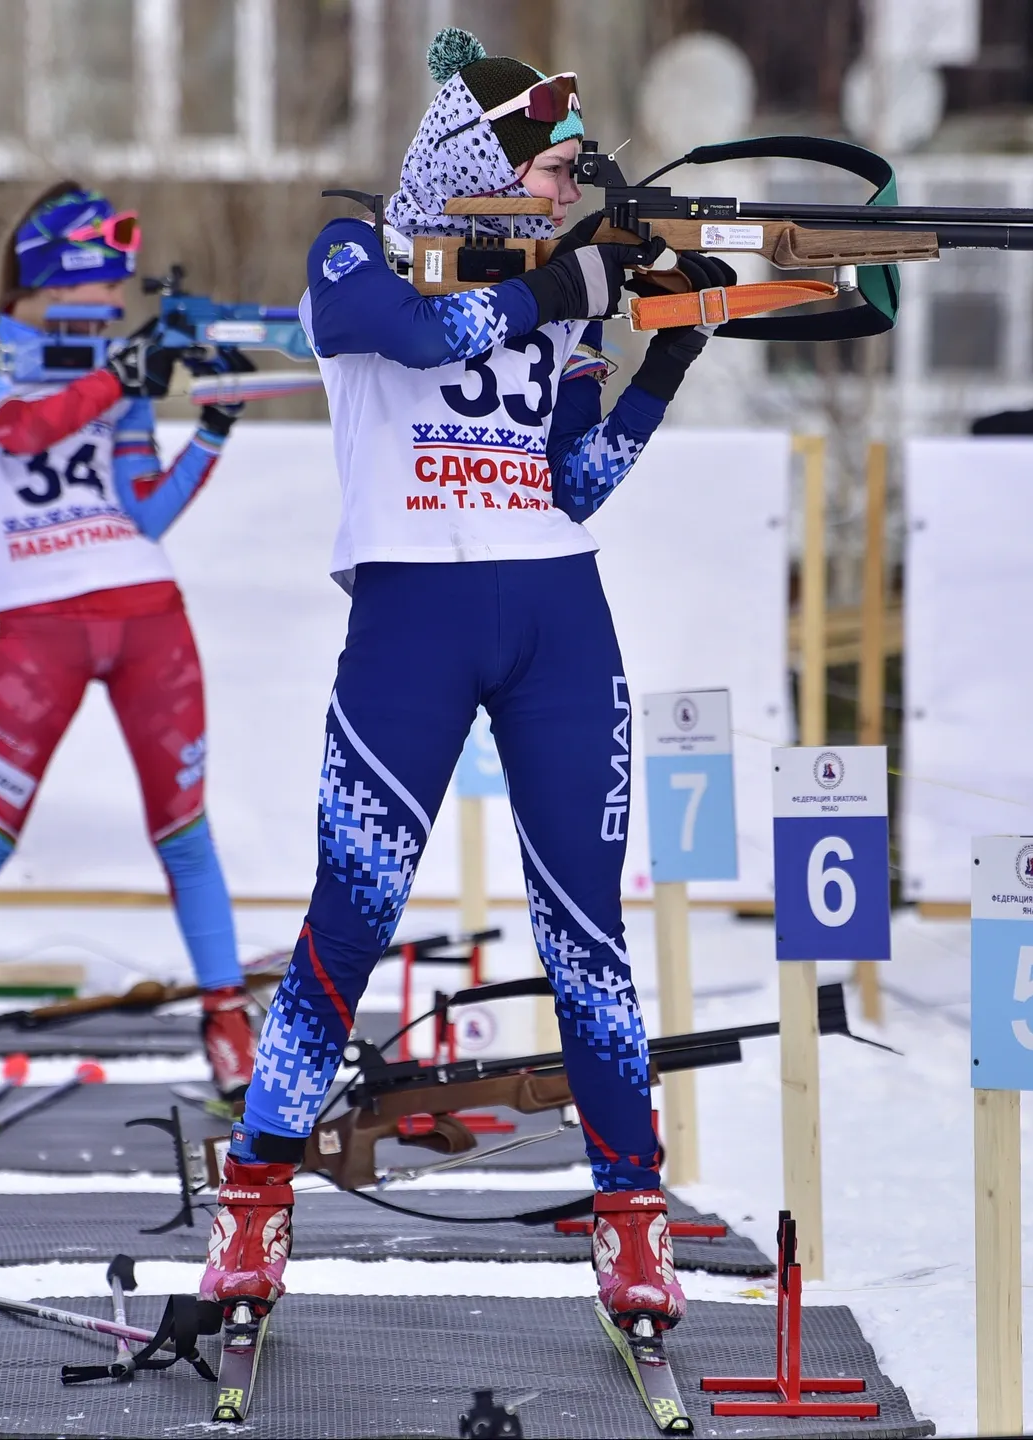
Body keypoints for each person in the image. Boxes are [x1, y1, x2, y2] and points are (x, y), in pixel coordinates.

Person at [198, 28, 732, 1335]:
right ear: (476, 166)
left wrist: (664, 359)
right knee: (354, 913)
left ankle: (632, 1221)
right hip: (413, 612)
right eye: (547, 170)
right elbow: (392, 329)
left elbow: (578, 482)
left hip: (557, 607)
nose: (565, 194)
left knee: (584, 929)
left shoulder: (558, 282)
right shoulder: (359, 246)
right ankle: (256, 1201)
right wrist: (569, 288)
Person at [0, 183, 260, 1118]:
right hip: (36, 627)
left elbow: (147, 510)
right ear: (48, 283)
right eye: (101, 293)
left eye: (121, 299)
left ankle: (229, 1032)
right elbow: (15, 427)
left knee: (186, 836)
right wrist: (119, 375)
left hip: (148, 616)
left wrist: (211, 430)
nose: (115, 309)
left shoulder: (112, 369)